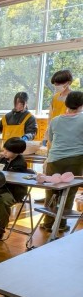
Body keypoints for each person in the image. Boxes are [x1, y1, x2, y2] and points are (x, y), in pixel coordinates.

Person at [41, 91, 83, 232]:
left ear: (66, 104)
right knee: (68, 193)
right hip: (75, 160)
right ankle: (60, 225)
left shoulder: (55, 120)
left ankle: (48, 223)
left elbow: (51, 140)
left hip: (54, 159)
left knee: (51, 191)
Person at [0, 138, 29, 238]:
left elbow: (10, 179)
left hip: (12, 191)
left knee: (3, 202)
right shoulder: (1, 159)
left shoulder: (20, 164)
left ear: (17, 152)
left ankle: (0, 227)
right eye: (4, 149)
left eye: (8, 151)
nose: (4, 152)